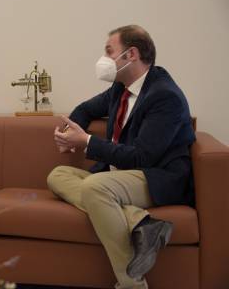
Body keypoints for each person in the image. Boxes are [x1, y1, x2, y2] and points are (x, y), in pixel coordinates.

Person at [47, 25, 195, 289]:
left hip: (157, 175)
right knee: (57, 175)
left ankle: (132, 284)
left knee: (95, 186)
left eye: (109, 51)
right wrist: (70, 134)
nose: (103, 59)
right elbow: (85, 108)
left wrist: (87, 142)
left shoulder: (164, 95)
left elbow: (142, 156)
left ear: (131, 55)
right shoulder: (121, 87)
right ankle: (140, 222)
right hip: (119, 174)